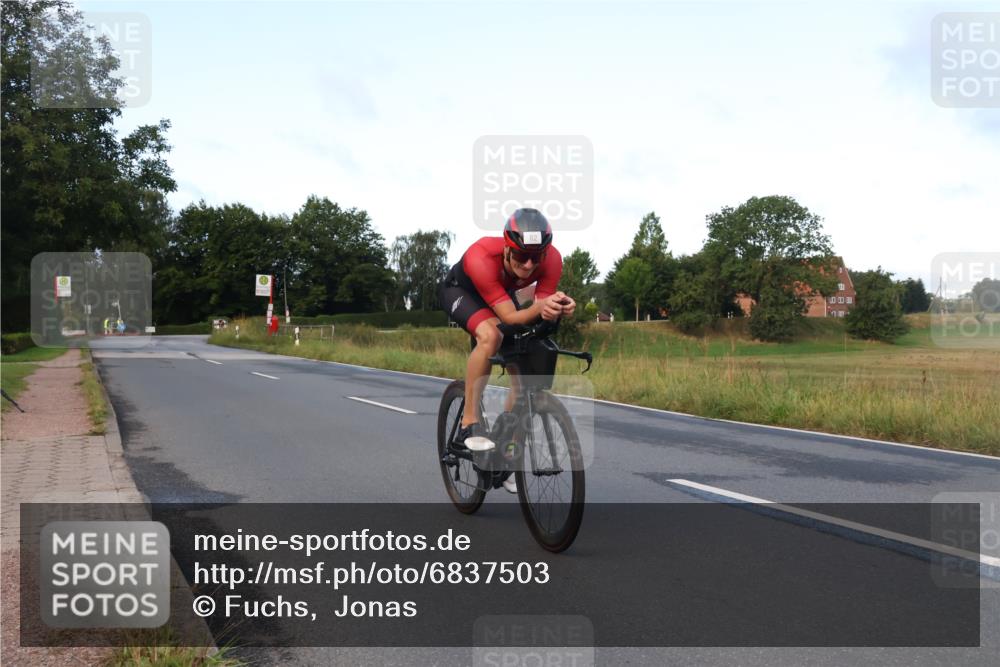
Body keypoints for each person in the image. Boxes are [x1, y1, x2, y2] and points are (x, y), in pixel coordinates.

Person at [438, 208, 575, 492]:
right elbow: (511, 317)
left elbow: (540, 309)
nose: (528, 265)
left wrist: (558, 307)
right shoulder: (481, 256)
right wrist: (540, 307)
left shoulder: (552, 259)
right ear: (507, 248)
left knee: (523, 374)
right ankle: (468, 421)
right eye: (521, 256)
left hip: (499, 295)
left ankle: (507, 450)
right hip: (461, 292)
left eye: (536, 257)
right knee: (491, 335)